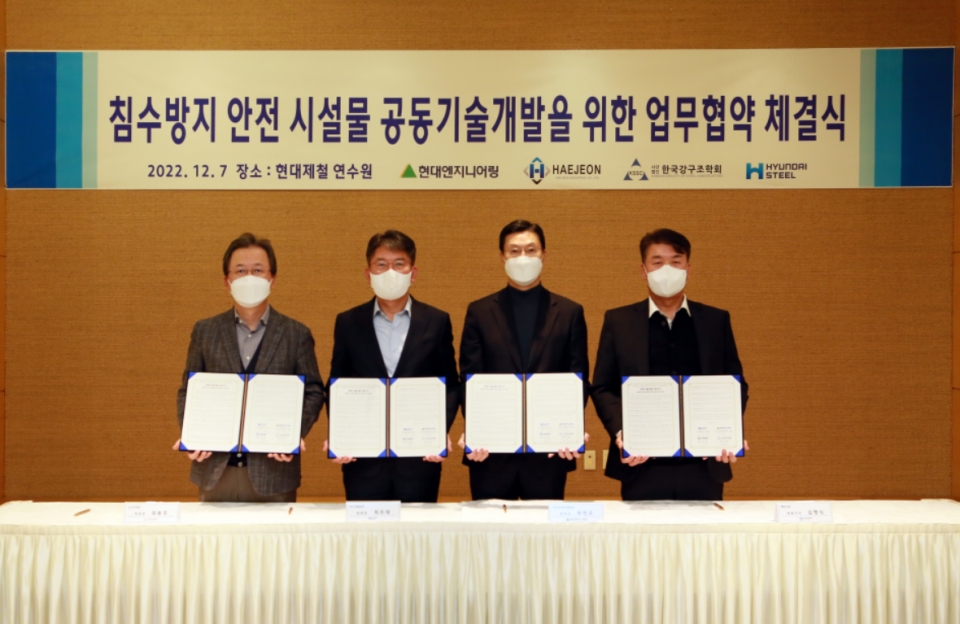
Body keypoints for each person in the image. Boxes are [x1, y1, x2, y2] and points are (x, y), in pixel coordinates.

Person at [591, 228, 748, 501]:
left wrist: (727, 431)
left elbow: (735, 385)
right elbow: (603, 387)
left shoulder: (715, 321)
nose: (667, 270)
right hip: (640, 462)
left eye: (675, 262)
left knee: (704, 530)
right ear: (643, 271)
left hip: (704, 462)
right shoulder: (619, 321)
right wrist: (622, 432)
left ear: (688, 269)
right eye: (657, 262)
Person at [174, 233, 325, 502]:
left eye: (257, 271)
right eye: (240, 271)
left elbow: (313, 392)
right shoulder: (205, 331)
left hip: (274, 471)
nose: (249, 278)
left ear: (272, 280)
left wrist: (292, 434)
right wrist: (192, 434)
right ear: (227, 281)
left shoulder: (296, 334)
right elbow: (189, 390)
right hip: (214, 469)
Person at [458, 220, 589, 500]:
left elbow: (578, 379)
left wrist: (569, 429)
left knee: (544, 527)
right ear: (502, 257)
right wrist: (478, 430)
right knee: (490, 528)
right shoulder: (479, 311)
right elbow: (469, 379)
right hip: (491, 451)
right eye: (514, 251)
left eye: (531, 250)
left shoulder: (569, 312)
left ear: (544, 255)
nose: (523, 257)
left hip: (549, 451)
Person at [325, 230, 459, 502]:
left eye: (399, 264)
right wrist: (340, 434)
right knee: (366, 529)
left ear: (413, 272)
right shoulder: (348, 322)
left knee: (417, 529)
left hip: (419, 458)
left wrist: (438, 431)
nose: (390, 272)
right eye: (381, 264)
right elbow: (337, 384)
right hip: (362, 459)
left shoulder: (436, 321)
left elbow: (451, 385)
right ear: (368, 274)